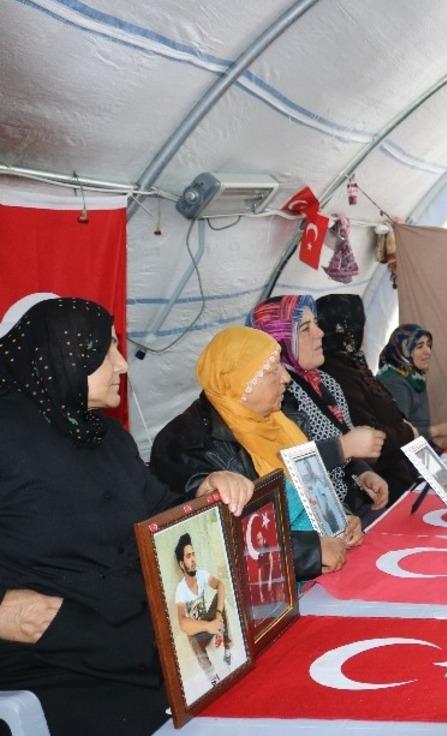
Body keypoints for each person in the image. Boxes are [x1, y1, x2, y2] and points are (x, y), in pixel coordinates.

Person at [0, 298, 253, 736]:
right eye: (107, 351)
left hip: (136, 637)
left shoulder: (105, 438)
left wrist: (203, 490)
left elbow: (157, 512)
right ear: (66, 355)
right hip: (59, 661)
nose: (122, 365)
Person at [151, 326, 359, 580]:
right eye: (273, 369)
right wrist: (311, 553)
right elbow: (216, 540)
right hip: (263, 594)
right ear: (241, 381)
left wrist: (340, 518)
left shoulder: (283, 421)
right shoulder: (187, 444)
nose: (286, 378)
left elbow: (312, 488)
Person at [250, 296, 390, 519]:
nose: (320, 332)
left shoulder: (325, 382)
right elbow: (280, 465)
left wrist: (363, 473)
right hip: (319, 520)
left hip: (349, 507)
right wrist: (343, 447)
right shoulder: (274, 395)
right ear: (278, 339)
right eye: (306, 328)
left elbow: (347, 444)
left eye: (316, 323)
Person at [316, 294, 420, 501]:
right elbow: (365, 434)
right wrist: (407, 431)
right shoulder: (334, 374)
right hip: (380, 483)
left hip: (393, 473)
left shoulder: (353, 362)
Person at [378, 324, 447, 449]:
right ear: (403, 351)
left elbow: (413, 426)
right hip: (400, 462)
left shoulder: (413, 376)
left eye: (428, 345)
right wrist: (436, 431)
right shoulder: (394, 382)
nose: (428, 351)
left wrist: (431, 439)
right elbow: (397, 433)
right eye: (419, 346)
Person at [173, 533, 231, 688]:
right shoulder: (180, 590)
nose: (193, 560)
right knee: (190, 636)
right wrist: (207, 626)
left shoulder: (202, 574)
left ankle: (227, 651)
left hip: (209, 621)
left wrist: (217, 615)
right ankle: (213, 678)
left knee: (221, 599)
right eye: (188, 556)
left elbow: (220, 585)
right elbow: (182, 623)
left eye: (193, 555)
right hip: (199, 630)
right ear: (181, 563)